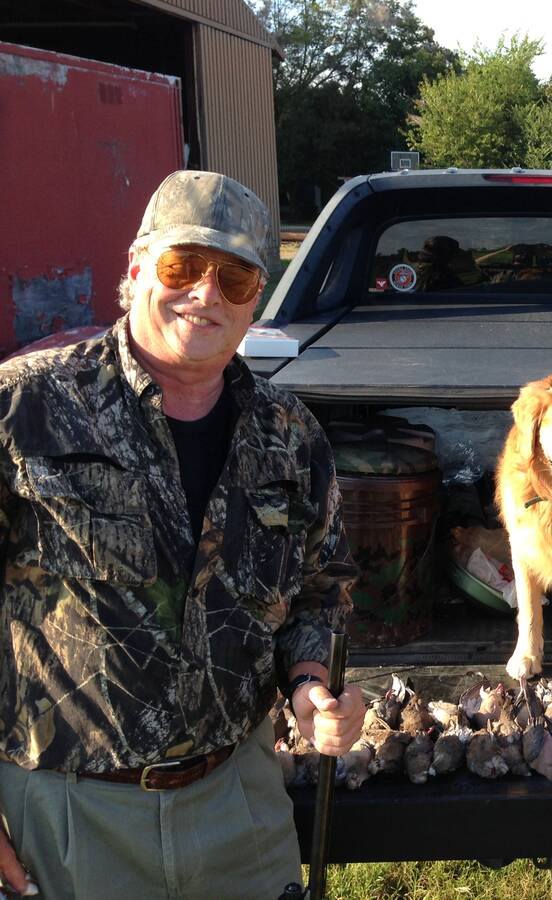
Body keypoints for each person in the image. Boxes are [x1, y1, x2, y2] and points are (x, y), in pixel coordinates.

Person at [0, 170, 366, 899]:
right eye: (182, 267)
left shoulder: (288, 434)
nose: (205, 294)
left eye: (235, 278)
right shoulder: (23, 408)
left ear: (255, 300)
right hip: (72, 815)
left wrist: (310, 687)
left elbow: (321, 590)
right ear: (136, 269)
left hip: (239, 803)